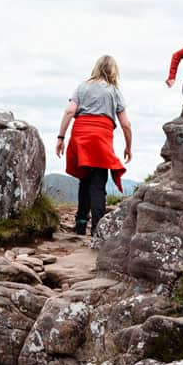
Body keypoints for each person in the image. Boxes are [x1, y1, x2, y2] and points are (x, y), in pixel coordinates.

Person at [55, 55, 132, 237]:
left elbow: (69, 111)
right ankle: (98, 229)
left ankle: (81, 224)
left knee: (84, 180)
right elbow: (126, 124)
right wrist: (128, 146)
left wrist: (61, 137)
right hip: (100, 138)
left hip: (80, 135)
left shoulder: (82, 87)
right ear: (114, 71)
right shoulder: (114, 91)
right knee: (98, 184)